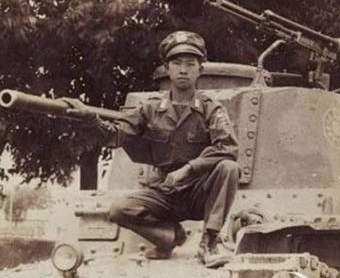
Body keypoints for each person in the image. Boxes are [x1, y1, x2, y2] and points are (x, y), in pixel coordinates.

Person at [63, 31, 240, 268]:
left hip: (200, 191)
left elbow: (228, 147)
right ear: (167, 68)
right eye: (176, 63)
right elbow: (116, 136)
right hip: (165, 192)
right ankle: (169, 237)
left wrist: (188, 170)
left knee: (228, 167)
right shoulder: (150, 109)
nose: (183, 70)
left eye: (190, 64)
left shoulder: (210, 109)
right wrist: (90, 118)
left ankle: (210, 242)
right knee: (120, 209)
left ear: (200, 69)